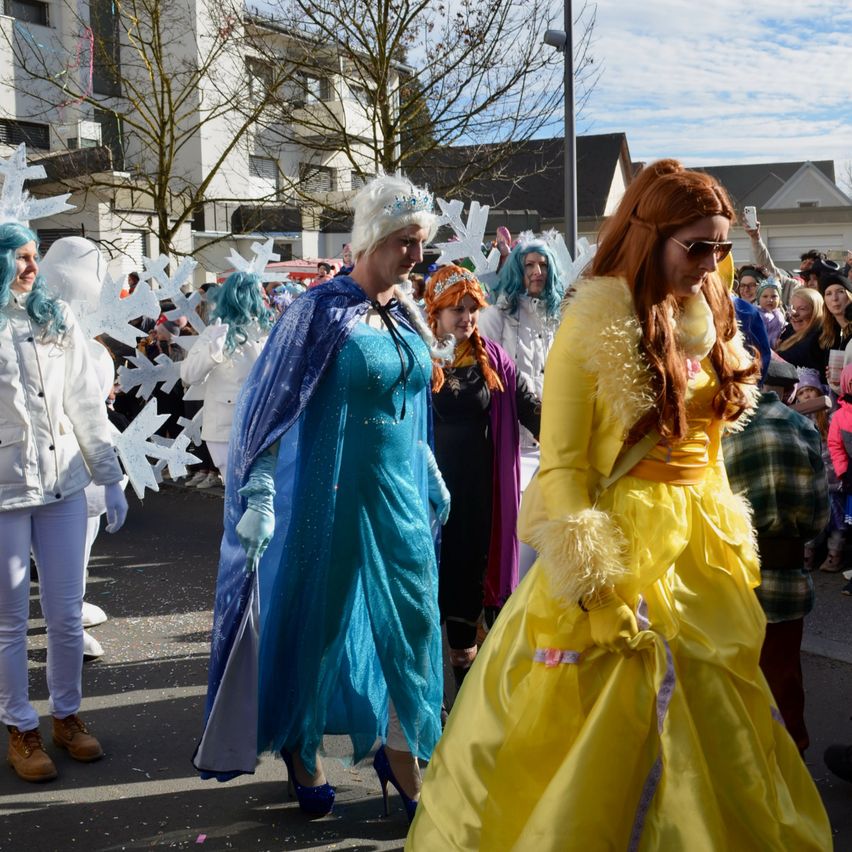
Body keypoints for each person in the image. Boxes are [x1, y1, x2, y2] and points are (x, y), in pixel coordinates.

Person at [406, 159, 831, 850]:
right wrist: (595, 579)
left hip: (703, 546)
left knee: (721, 727)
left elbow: (713, 444)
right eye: (697, 245)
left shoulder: (707, 313)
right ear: (647, 235)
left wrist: (727, 534)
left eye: (720, 247)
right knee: (617, 735)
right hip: (623, 550)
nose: (712, 262)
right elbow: (567, 468)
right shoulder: (594, 322)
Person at [193, 175, 452, 824]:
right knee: (321, 626)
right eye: (403, 242)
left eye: (420, 243)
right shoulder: (317, 311)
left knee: (418, 624)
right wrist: (257, 488)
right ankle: (301, 746)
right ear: (369, 238)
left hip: (398, 502)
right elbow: (264, 409)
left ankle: (402, 750)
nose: (414, 256)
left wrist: (429, 470)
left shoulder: (405, 312)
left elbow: (407, 404)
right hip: (329, 499)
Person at [0, 223, 127, 783]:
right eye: (20, 258)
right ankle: (20, 726)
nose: (32, 267)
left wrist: (110, 476)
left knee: (66, 615)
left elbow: (84, 402)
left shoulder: (57, 319)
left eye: (34, 257)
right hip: (3, 494)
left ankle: (67, 716)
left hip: (63, 487)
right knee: (8, 624)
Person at [424, 264, 540, 689]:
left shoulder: (493, 360)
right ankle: (419, 702)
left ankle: (466, 699)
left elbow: (529, 408)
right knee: (423, 589)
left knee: (465, 589)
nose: (465, 316)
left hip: (476, 495)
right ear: (434, 311)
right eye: (456, 307)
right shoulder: (418, 356)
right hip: (423, 494)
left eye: (472, 308)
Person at [723, 358, 828, 754]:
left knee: (731, 684)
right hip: (785, 580)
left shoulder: (721, 431)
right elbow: (818, 520)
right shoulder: (802, 427)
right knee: (783, 682)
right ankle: (788, 771)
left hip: (731, 579)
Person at [180, 271, 273, 487]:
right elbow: (189, 374)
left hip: (263, 425)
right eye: (258, 292)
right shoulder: (217, 330)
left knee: (264, 497)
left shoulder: (267, 330)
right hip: (226, 428)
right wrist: (213, 351)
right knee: (239, 494)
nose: (264, 297)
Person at [775, 288, 828, 381]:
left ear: (815, 312)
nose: (794, 314)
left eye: (802, 309)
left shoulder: (817, 338)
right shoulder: (788, 331)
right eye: (793, 308)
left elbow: (789, 363)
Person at [756, 278, 785, 348]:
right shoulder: (757, 315)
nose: (770, 300)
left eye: (774, 296)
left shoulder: (780, 313)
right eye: (765, 296)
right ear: (759, 299)